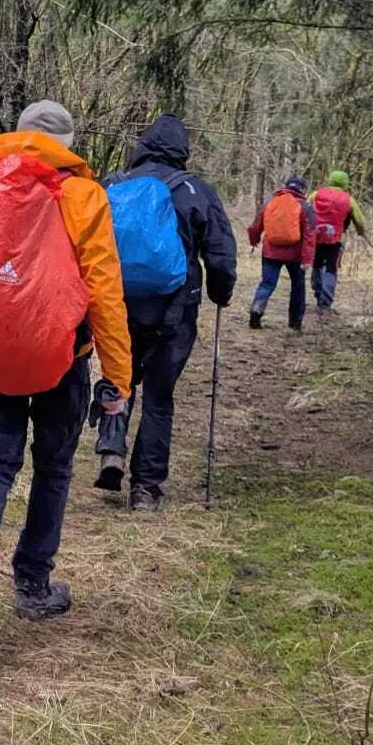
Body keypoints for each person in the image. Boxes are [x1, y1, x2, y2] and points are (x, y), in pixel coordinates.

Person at [0, 100, 132, 644]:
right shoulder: (81, 194)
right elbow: (104, 291)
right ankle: (32, 585)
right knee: (53, 468)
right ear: (66, 144)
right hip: (60, 358)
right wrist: (118, 375)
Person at [98, 115, 238, 510]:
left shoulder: (112, 184)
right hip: (174, 313)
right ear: (182, 151)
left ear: (142, 145)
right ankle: (146, 488)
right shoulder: (197, 190)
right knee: (159, 396)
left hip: (117, 305)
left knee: (119, 377)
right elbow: (221, 254)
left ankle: (112, 450)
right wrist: (220, 293)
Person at [247, 176, 317, 331]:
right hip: (295, 256)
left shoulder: (270, 203)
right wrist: (307, 260)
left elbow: (254, 227)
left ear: (286, 187)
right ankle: (295, 322)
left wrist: (254, 241)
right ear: (302, 190)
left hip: (270, 252)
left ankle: (257, 309)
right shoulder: (306, 207)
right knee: (298, 287)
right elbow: (310, 236)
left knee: (267, 283)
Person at [309, 170, 368, 318]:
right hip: (336, 239)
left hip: (315, 236)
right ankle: (325, 304)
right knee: (331, 269)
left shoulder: (316, 194)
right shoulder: (349, 200)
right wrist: (361, 232)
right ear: (345, 183)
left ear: (330, 180)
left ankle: (318, 293)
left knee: (316, 265)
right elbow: (360, 221)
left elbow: (304, 210)